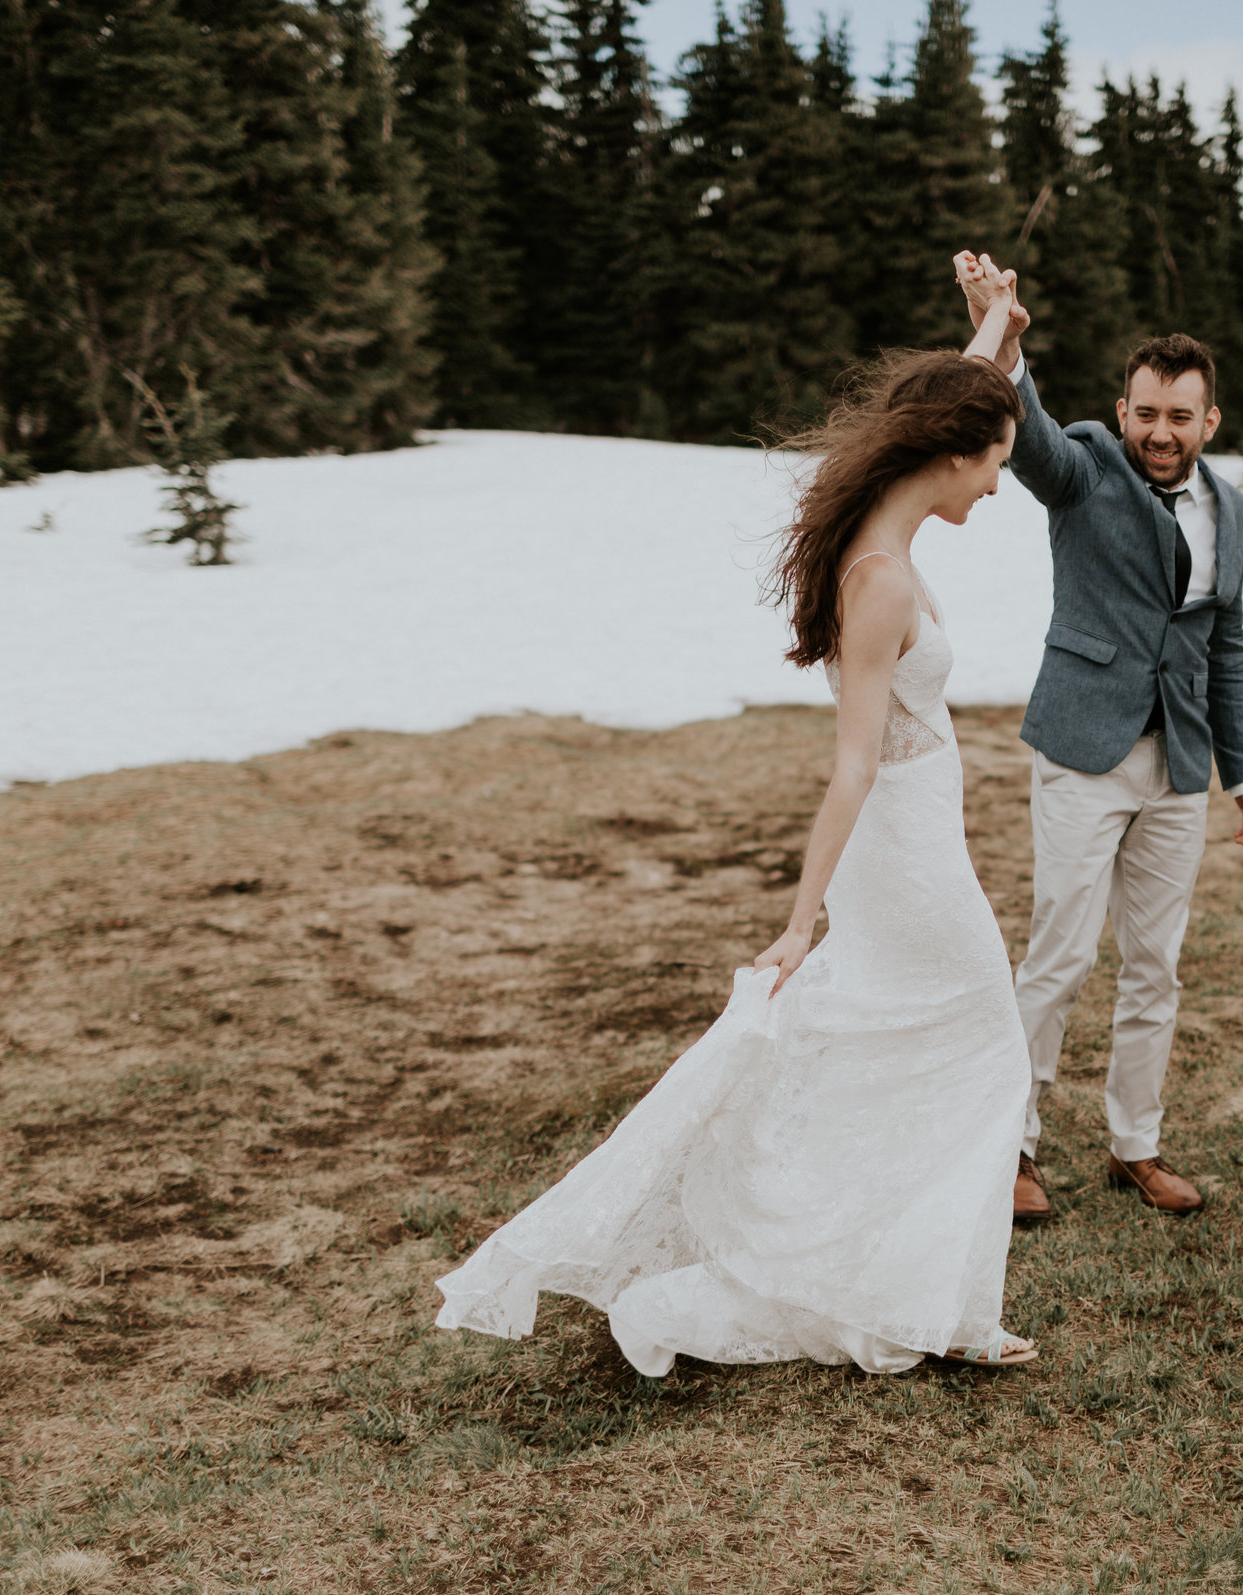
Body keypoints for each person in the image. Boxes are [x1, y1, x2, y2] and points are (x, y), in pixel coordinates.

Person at [433, 282, 1041, 1374]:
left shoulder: (885, 523)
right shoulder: (881, 579)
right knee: (984, 1044)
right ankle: (916, 1294)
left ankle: (928, 1291)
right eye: (994, 459)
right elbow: (852, 763)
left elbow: (946, 409)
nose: (1000, 480)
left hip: (917, 842)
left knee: (911, 1048)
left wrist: (991, 332)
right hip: (899, 854)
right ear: (950, 454)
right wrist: (800, 921)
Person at [951, 252, 1243, 1227]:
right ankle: (1010, 1142)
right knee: (1058, 955)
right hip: (1082, 750)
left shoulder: (1232, 508)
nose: (1159, 431)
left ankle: (1136, 1144)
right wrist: (1004, 338)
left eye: (1180, 415)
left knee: (1156, 965)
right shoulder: (1087, 463)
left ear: (1208, 421)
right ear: (1123, 408)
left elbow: (1225, 641)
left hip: (1177, 767)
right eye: (1146, 411)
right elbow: (1032, 438)